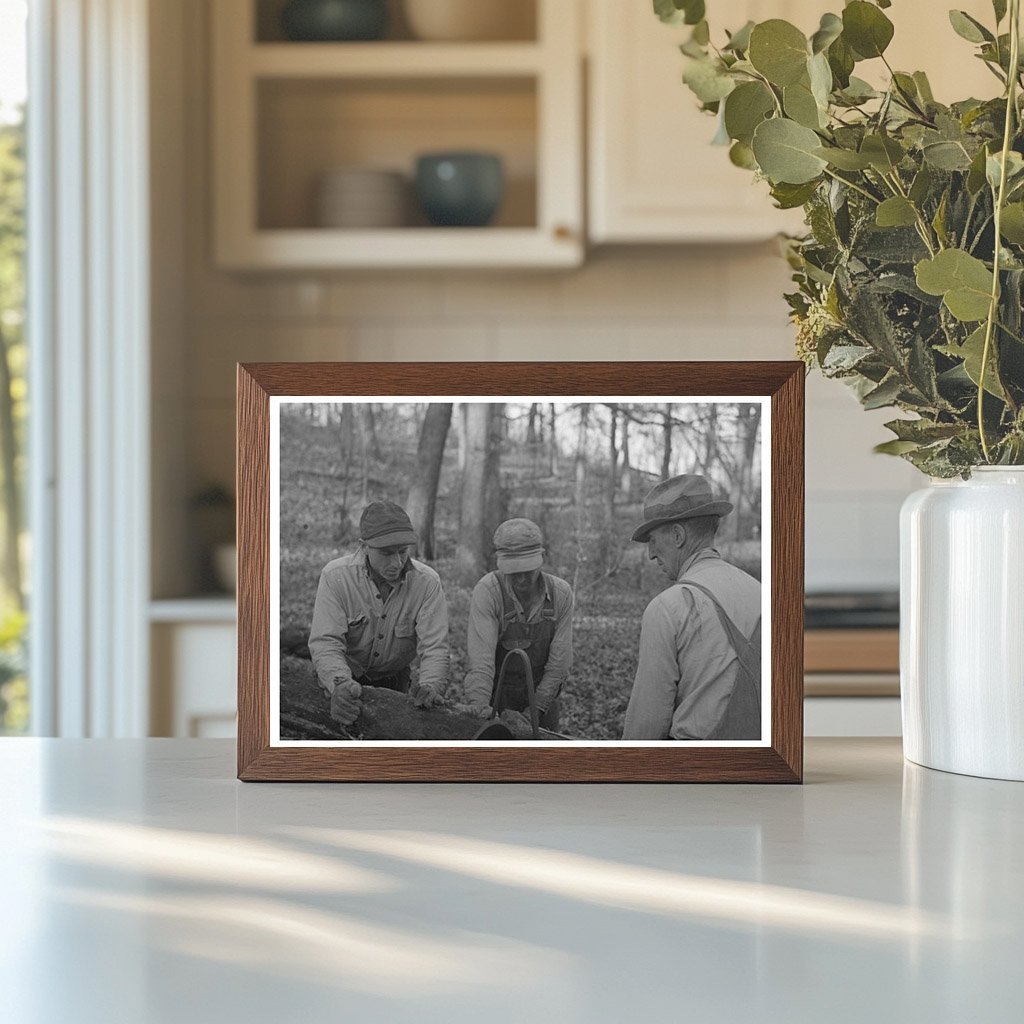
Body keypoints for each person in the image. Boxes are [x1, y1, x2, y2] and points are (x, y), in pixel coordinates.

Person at [622, 475, 761, 741]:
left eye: (653, 540)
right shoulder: (762, 592)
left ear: (677, 535)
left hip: (696, 769)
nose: (651, 554)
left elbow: (646, 724)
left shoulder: (667, 607)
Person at [308, 500, 450, 727]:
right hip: (345, 676)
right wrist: (339, 684)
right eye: (386, 553)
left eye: (403, 551)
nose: (397, 562)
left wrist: (431, 687)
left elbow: (435, 647)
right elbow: (326, 642)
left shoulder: (427, 583)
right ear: (364, 546)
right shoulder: (335, 576)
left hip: (396, 680)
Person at [463, 518, 573, 733]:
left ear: (542, 559)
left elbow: (559, 665)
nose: (522, 579)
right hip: (496, 696)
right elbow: (481, 663)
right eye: (514, 571)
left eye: (528, 570)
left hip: (543, 696)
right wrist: (480, 709)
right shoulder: (488, 591)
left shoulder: (561, 594)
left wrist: (534, 711)